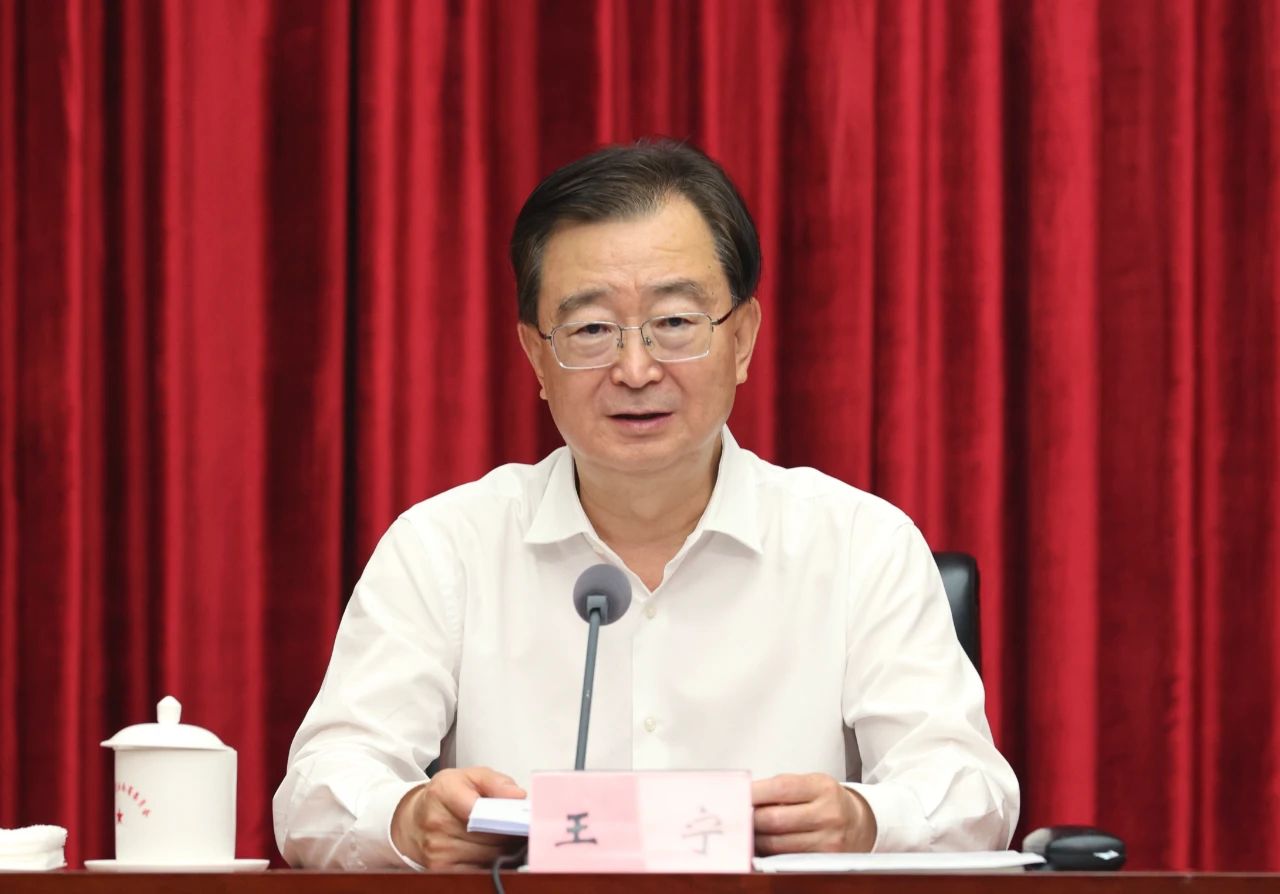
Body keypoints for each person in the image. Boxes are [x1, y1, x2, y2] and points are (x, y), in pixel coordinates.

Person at [273, 139, 1019, 870]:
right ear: (537, 357)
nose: (635, 369)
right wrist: (408, 823)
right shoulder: (444, 548)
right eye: (592, 330)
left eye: (674, 323)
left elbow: (971, 792)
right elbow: (318, 792)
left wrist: (864, 822)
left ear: (743, 340)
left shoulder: (860, 544)